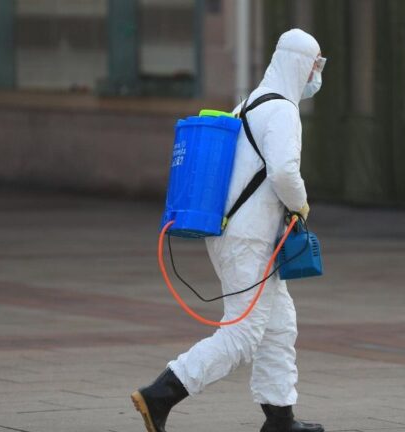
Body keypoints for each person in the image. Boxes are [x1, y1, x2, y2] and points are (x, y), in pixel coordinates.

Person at [131, 29, 326, 432]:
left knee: (278, 325)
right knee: (243, 334)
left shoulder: (248, 103)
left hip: (232, 234)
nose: (316, 75)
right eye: (314, 66)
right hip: (249, 240)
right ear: (298, 63)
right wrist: (301, 203)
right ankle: (160, 393)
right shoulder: (284, 112)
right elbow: (285, 172)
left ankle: (280, 418)